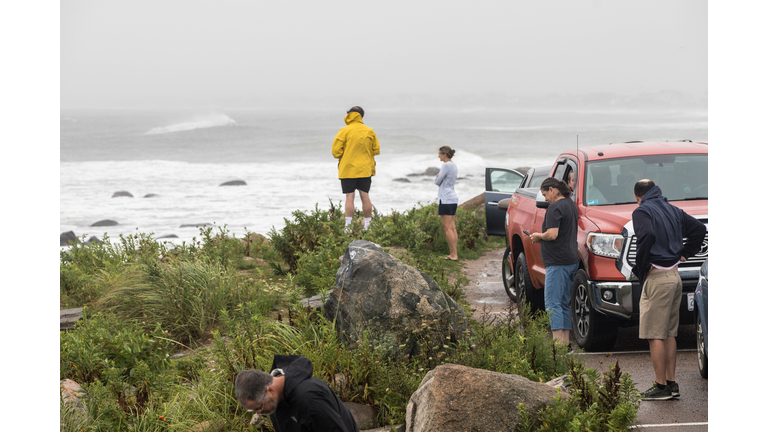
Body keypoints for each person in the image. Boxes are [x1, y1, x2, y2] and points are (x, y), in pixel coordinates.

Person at [631, 180, 706, 401]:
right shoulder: (673, 209)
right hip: (675, 276)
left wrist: (641, 266)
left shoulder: (642, 211)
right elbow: (700, 229)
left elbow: (646, 235)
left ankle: (660, 386)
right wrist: (685, 252)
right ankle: (671, 384)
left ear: (637, 196)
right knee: (669, 333)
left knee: (654, 334)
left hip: (657, 278)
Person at [235, 355, 359, 432]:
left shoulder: (309, 397)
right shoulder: (275, 401)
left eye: (258, 407)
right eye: (253, 410)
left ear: (270, 390)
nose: (258, 413)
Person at [530, 178, 579, 346]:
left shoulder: (555, 208)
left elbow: (552, 234)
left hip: (558, 262)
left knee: (552, 304)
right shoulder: (570, 204)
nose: (545, 199)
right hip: (571, 259)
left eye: (545, 194)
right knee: (564, 302)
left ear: (553, 190)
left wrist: (538, 236)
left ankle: (557, 346)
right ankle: (565, 344)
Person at [332, 106, 380, 230]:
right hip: (365, 168)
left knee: (349, 196)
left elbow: (335, 152)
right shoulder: (369, 131)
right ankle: (368, 225)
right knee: (365, 195)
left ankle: (348, 226)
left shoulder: (344, 131)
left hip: (348, 169)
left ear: (349, 115)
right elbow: (376, 150)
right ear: (361, 116)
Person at [434, 146, 459, 261]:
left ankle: (453, 254)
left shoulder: (446, 165)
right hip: (453, 198)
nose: (438, 156)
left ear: (444, 154)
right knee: (452, 228)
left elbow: (437, 181)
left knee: (447, 228)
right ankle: (454, 253)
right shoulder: (453, 165)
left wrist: (437, 177)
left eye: (439, 153)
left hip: (445, 199)